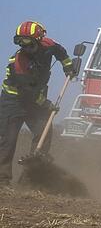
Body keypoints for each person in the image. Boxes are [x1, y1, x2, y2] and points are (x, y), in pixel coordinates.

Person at [0, 21, 76, 185]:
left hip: (35, 100)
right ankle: (3, 180)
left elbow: (61, 52)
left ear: (39, 40)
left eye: (29, 44)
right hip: (13, 101)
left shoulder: (49, 45)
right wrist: (47, 104)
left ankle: (31, 178)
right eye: (22, 44)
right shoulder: (18, 62)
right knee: (7, 141)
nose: (26, 48)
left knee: (44, 132)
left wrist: (68, 67)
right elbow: (28, 93)